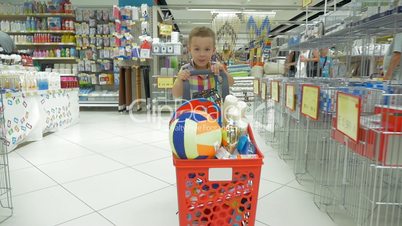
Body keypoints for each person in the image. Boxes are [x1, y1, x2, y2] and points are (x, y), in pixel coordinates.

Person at [172, 27, 234, 99]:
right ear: (190, 50)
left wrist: (223, 71)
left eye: (207, 49)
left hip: (214, 109)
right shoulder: (185, 69)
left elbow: (231, 83)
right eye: (197, 49)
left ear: (213, 50)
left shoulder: (215, 68)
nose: (202, 54)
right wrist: (180, 79)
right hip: (192, 109)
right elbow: (176, 94)